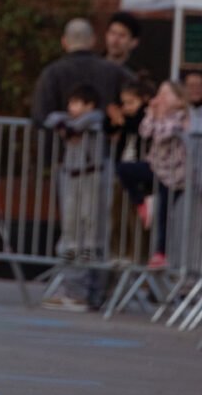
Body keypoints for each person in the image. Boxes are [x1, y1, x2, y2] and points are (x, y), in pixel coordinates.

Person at [41, 84, 106, 311]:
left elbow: (88, 122)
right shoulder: (69, 120)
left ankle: (83, 292)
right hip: (72, 178)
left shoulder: (96, 121)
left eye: (77, 103)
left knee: (87, 236)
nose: (71, 108)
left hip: (90, 180)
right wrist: (65, 124)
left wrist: (71, 126)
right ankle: (74, 288)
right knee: (72, 235)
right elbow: (52, 119)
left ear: (90, 105)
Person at [116, 79, 190, 268]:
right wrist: (152, 113)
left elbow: (164, 133)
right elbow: (145, 131)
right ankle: (142, 201)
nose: (160, 99)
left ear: (179, 100)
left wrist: (159, 116)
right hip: (156, 166)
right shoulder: (155, 114)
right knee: (124, 169)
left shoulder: (181, 116)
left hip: (175, 175)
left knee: (164, 214)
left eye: (166, 95)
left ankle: (160, 253)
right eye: (159, 94)